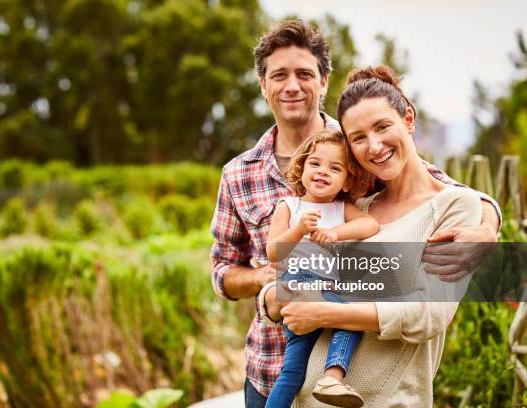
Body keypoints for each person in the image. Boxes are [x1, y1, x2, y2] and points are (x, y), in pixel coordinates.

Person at [210, 19, 501, 408]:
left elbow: (431, 188)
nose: (292, 85)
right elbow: (222, 268)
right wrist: (272, 284)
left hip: (351, 372)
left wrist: (489, 219)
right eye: (279, 75)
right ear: (263, 85)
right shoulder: (239, 173)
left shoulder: (354, 155)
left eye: (304, 74)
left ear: (324, 81)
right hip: (269, 366)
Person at [264, 130, 379, 408]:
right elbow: (272, 253)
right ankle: (332, 378)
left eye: (335, 168)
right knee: (351, 314)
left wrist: (335, 233)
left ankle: (331, 378)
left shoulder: (341, 208)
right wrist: (298, 229)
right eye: (315, 163)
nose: (323, 172)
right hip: (298, 285)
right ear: (302, 167)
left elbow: (371, 225)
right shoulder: (289, 206)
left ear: (347, 180)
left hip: (328, 289)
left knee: (295, 370)